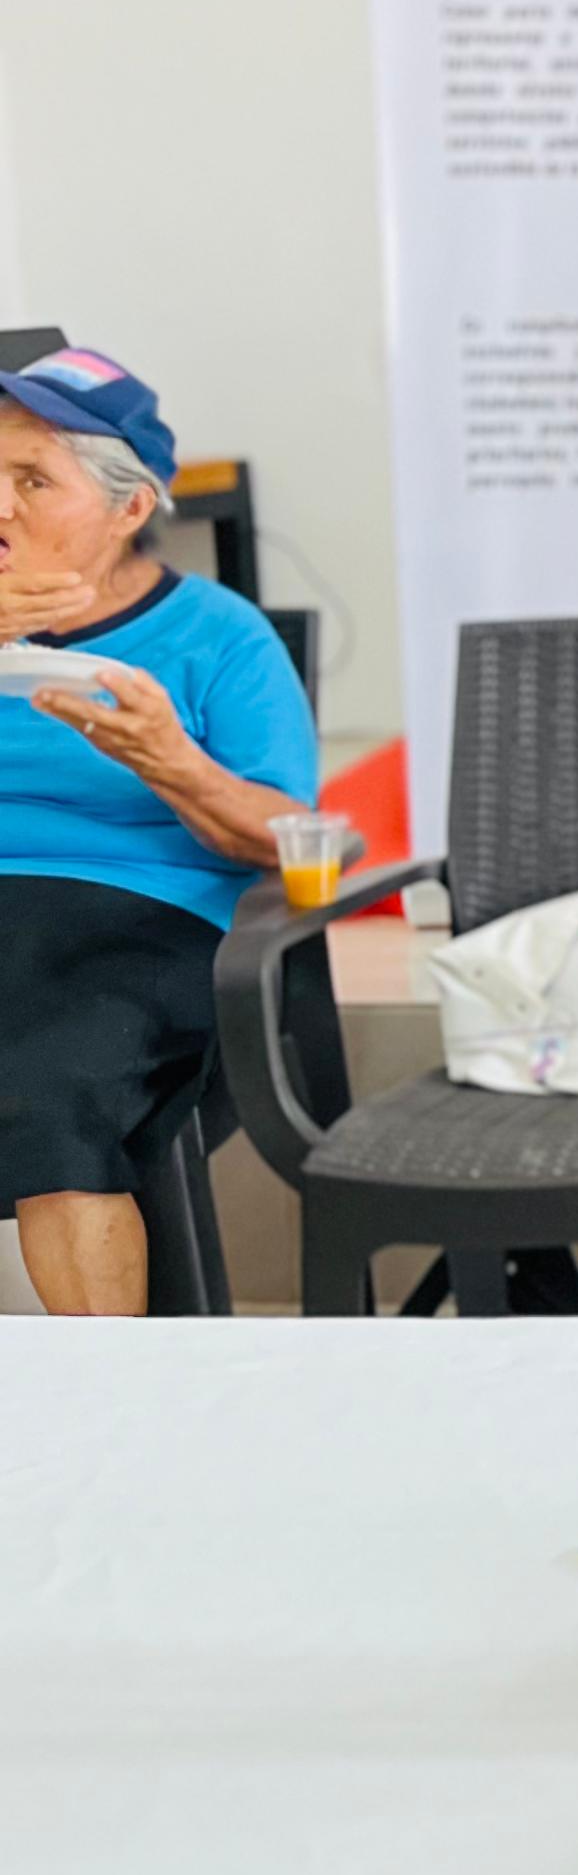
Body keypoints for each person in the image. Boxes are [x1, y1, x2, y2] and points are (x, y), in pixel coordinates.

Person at [1, 348, 317, 1315]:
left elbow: (291, 836)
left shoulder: (218, 635)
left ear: (128, 508)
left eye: (32, 480)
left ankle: (115, 1392)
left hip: (137, 916)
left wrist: (170, 759)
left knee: (51, 1083)